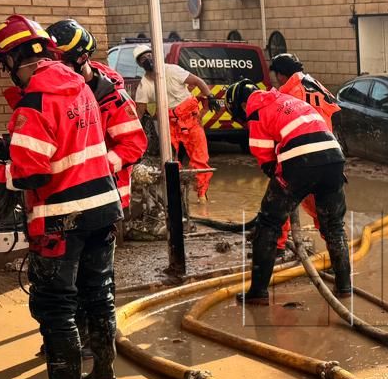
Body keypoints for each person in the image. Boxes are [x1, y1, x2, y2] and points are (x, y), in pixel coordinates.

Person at [0, 15, 123, 379]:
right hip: (103, 208)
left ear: (16, 60)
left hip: (61, 217)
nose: (6, 73)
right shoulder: (81, 88)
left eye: (5, 64)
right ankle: (104, 375)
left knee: (54, 305)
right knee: (98, 294)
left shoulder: (34, 103)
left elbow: (32, 174)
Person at [46, 19, 146, 379]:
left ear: (82, 58)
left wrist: (100, 165)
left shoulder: (111, 97)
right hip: (68, 199)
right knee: (65, 280)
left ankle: (97, 352)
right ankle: (74, 340)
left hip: (102, 197)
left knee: (97, 281)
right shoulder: (61, 92)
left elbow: (134, 145)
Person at [224, 81, 351, 301]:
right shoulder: (287, 100)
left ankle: (258, 293)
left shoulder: (256, 111)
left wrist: (284, 186)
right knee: (334, 226)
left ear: (241, 105)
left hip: (301, 160)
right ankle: (344, 287)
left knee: (268, 224)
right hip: (334, 159)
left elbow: (265, 159)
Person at [269, 53, 343, 256]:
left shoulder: (290, 93)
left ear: (281, 75)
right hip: (329, 154)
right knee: (327, 213)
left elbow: (284, 125)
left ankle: (277, 246)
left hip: (304, 154)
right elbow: (335, 113)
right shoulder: (316, 84)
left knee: (280, 197)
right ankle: (337, 255)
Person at [133, 44, 216, 199]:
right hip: (169, 124)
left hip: (191, 120)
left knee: (200, 159)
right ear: (139, 64)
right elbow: (140, 110)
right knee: (169, 161)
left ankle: (202, 195)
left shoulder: (172, 70)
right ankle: (175, 197)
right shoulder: (144, 85)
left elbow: (197, 81)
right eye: (143, 58)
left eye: (150, 55)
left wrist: (210, 96)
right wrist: (134, 130)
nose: (148, 59)